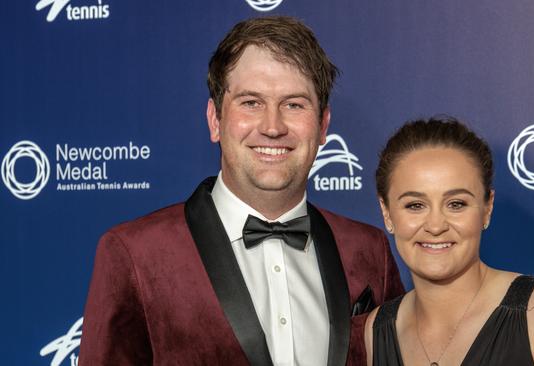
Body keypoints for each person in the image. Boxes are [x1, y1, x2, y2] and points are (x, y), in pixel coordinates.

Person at [79, 16, 404, 366]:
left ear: (323, 125)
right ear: (215, 120)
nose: (273, 126)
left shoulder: (368, 251)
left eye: (294, 104)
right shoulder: (134, 254)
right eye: (251, 103)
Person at [364, 117, 534, 366]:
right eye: (415, 205)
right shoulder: (375, 330)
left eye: (456, 204)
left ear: (486, 208)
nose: (436, 225)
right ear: (387, 213)